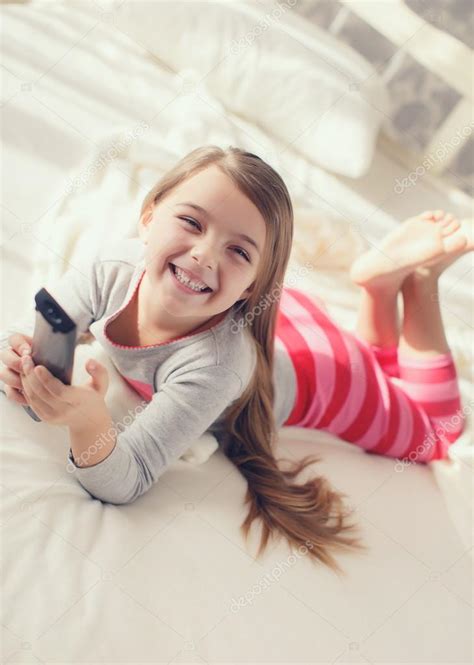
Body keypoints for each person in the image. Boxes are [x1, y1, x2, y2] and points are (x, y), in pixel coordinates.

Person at [0, 146, 471, 575]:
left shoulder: (214, 366)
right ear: (148, 217)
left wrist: (89, 422)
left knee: (440, 428)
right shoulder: (110, 268)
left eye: (238, 251)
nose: (204, 255)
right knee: (377, 363)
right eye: (191, 223)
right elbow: (28, 329)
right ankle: (378, 287)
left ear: (253, 287)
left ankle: (421, 281)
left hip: (328, 375)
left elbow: (127, 479)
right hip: (283, 331)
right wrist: (17, 353)